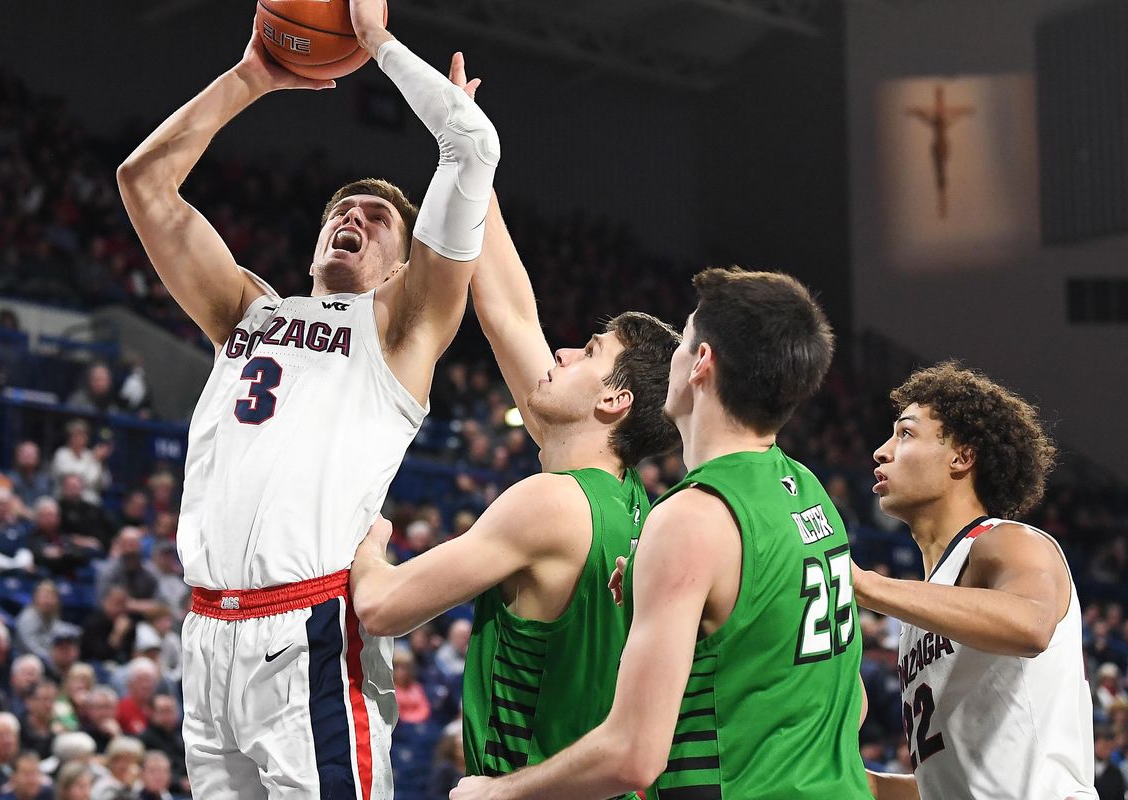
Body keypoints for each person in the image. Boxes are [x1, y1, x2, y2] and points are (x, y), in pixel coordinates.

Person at [114, 0, 500, 794]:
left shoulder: (400, 327)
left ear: (404, 264)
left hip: (311, 630)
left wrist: (379, 44)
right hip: (207, 633)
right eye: (339, 212)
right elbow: (143, 183)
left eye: (377, 217)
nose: (351, 216)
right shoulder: (248, 310)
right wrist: (251, 76)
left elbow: (472, 149)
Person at [452, 268, 870, 799]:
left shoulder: (692, 517)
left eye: (685, 338)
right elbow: (851, 702)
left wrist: (497, 793)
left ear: (701, 363)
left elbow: (632, 757)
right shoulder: (809, 493)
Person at [351, 174, 681, 785]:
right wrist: (473, 160)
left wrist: (364, 537)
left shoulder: (550, 503)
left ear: (614, 401)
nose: (563, 353)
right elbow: (508, 313)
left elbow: (381, 605)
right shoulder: (628, 501)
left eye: (589, 351)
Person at [854, 362, 1096, 799]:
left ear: (962, 457)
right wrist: (864, 785)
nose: (882, 451)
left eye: (905, 433)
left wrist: (864, 585)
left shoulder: (1008, 541)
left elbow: (1031, 624)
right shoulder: (925, 610)